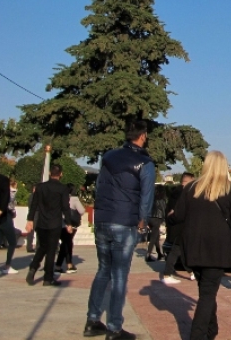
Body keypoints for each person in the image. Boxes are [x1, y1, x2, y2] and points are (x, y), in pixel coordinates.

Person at [171, 151, 231, 340]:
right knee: (207, 294)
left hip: (193, 247)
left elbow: (178, 215)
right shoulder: (229, 188)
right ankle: (197, 335)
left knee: (206, 291)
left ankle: (211, 329)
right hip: (217, 249)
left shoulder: (191, 188)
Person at [84, 120, 155, 340]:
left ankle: (93, 320)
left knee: (103, 270)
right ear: (142, 136)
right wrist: (142, 220)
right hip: (124, 222)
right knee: (119, 275)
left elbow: (99, 187)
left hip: (103, 219)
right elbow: (146, 196)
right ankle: (114, 327)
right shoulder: (145, 163)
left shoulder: (108, 157)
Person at [25, 164, 72, 287]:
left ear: (50, 173)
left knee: (42, 247)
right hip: (54, 223)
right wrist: (68, 223)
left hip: (41, 222)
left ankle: (33, 268)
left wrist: (30, 220)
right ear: (61, 174)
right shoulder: (62, 189)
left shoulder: (40, 187)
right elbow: (65, 208)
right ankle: (48, 278)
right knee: (51, 250)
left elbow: (34, 205)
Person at [162, 173, 195, 284]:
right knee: (176, 250)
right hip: (180, 227)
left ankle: (191, 272)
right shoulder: (183, 193)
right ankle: (167, 274)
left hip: (177, 226)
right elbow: (180, 211)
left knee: (182, 251)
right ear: (187, 181)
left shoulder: (175, 192)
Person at [56, 184, 86, 273]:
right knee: (67, 244)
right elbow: (82, 210)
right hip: (71, 225)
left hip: (60, 224)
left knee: (66, 244)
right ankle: (66, 265)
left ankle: (62, 265)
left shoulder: (60, 198)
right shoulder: (74, 199)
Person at [0, 174, 18, 274]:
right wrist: (1, 210)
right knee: (12, 241)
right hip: (4, 216)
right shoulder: (3, 179)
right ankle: (7, 265)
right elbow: (6, 197)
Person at [146, 185, 167, 262]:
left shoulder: (151, 199)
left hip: (150, 218)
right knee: (153, 238)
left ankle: (159, 254)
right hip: (157, 218)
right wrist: (165, 220)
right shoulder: (162, 200)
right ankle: (148, 254)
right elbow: (164, 210)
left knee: (156, 237)